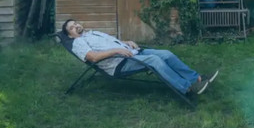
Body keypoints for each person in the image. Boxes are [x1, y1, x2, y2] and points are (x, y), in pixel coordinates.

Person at [61, 19, 218, 95]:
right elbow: (93, 57)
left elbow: (110, 42)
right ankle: (187, 88)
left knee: (166, 54)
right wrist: (117, 50)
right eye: (72, 27)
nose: (76, 26)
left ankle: (196, 78)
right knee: (155, 60)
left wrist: (125, 42)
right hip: (119, 63)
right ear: (70, 34)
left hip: (132, 53)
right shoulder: (78, 43)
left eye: (76, 23)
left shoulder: (93, 33)